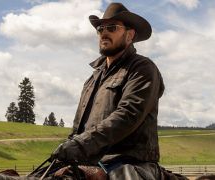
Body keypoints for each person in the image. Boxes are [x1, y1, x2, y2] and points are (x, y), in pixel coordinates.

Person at [51, 2, 171, 180]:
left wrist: (81, 144)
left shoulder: (143, 68)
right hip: (89, 161)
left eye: (112, 27)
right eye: (100, 28)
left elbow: (128, 115)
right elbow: (78, 129)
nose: (104, 32)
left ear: (129, 35)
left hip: (129, 161)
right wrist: (69, 148)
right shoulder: (91, 81)